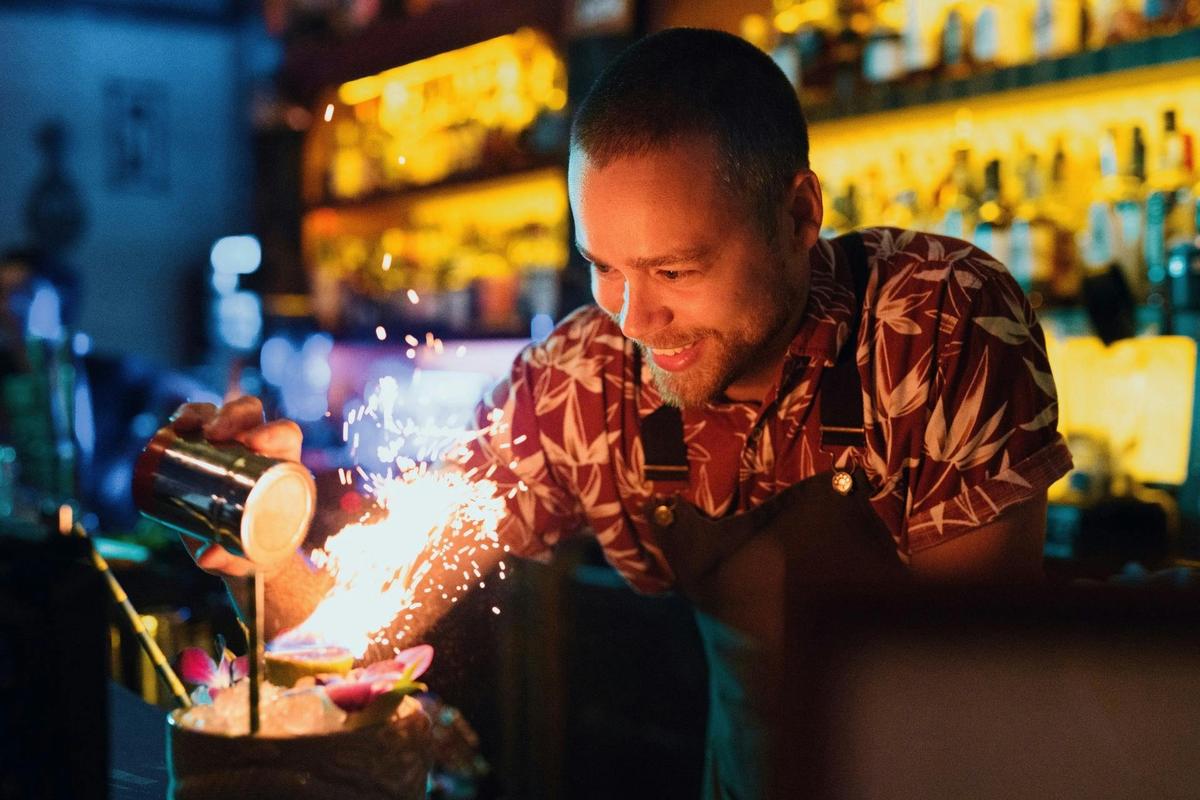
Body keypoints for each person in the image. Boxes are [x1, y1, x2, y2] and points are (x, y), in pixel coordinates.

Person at [169, 28, 1072, 799]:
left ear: (800, 215)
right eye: (603, 266)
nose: (636, 320)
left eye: (676, 270)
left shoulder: (935, 326)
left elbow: (979, 684)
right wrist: (263, 551)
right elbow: (344, 639)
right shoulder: (585, 380)